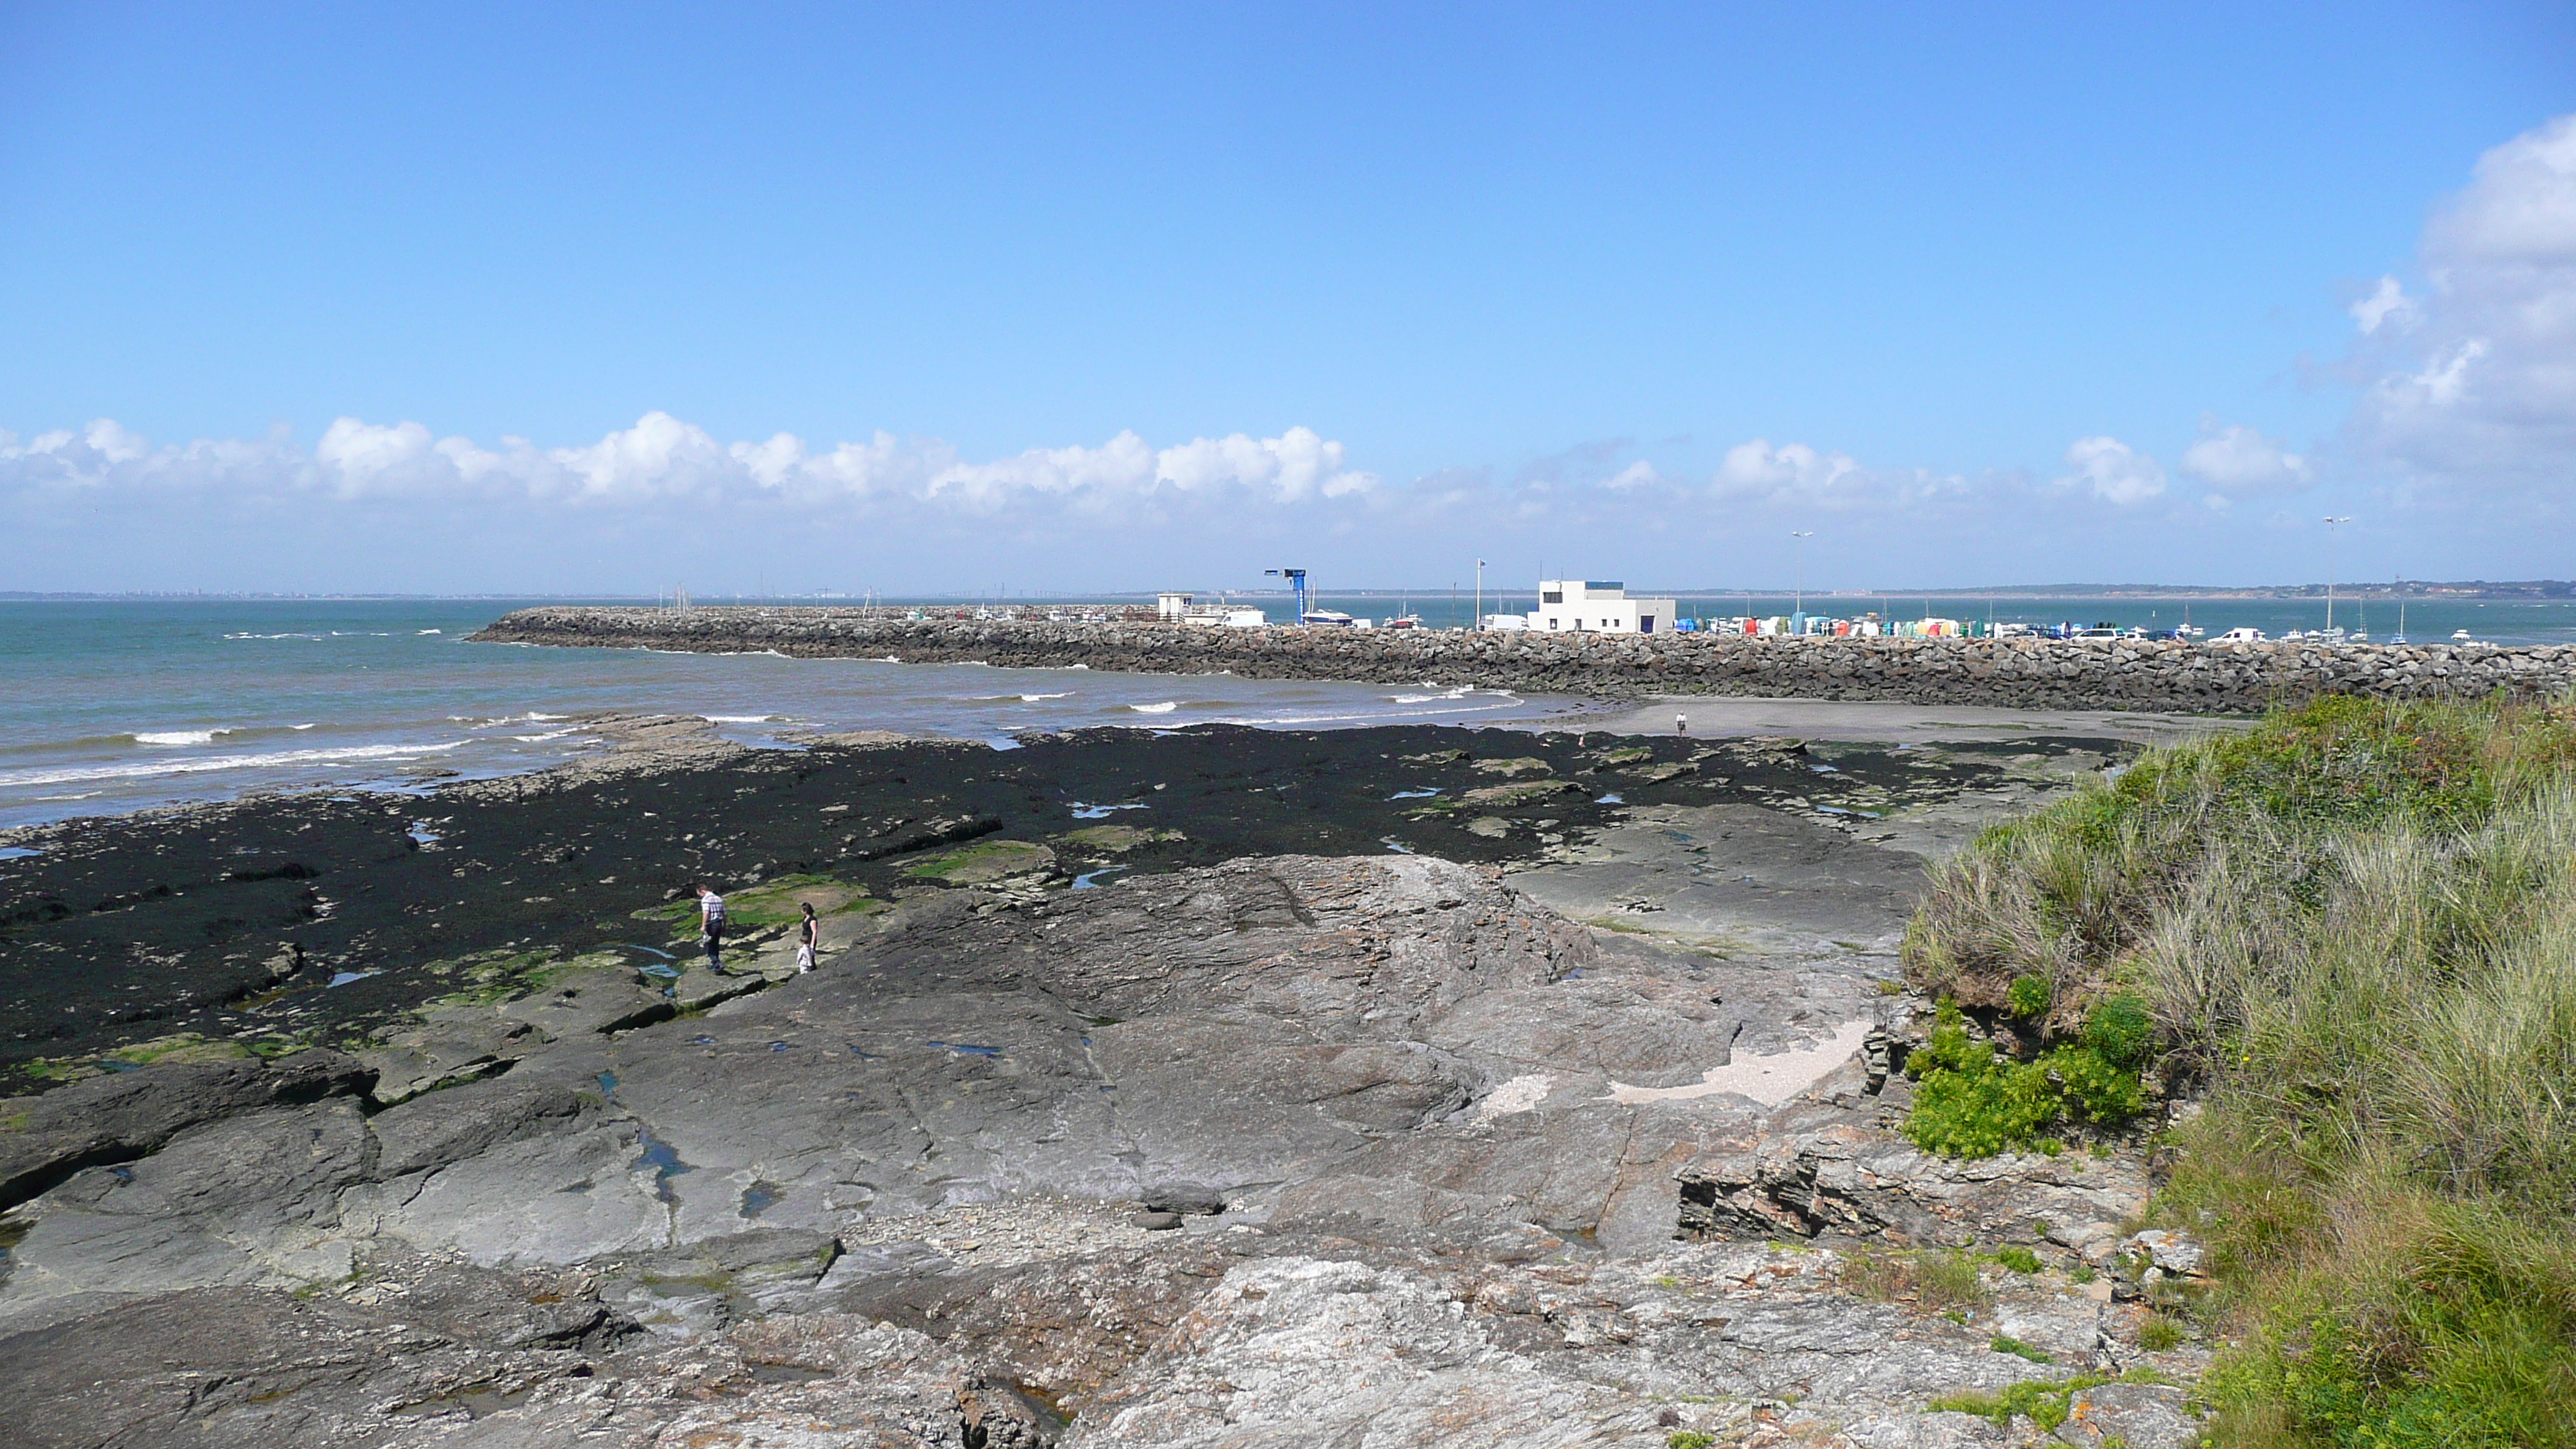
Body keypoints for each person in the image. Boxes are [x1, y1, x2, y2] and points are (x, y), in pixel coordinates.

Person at [694, 882, 727, 973]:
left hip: (711, 924)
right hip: (719, 922)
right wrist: (725, 925)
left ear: (702, 891)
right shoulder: (718, 899)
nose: (700, 896)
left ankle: (716, 964)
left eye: (699, 894)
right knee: (715, 944)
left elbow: (706, 912)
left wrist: (703, 925)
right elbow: (724, 913)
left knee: (708, 944)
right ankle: (716, 964)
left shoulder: (706, 900)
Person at [795, 900, 820, 974]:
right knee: (804, 956)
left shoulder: (812, 919)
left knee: (810, 957)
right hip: (805, 940)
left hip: (810, 940)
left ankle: (813, 971)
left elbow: (814, 932)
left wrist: (812, 944)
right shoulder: (805, 918)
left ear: (806, 910)